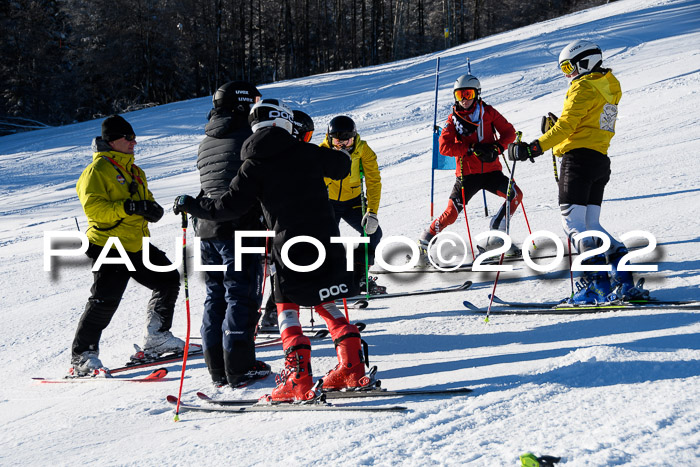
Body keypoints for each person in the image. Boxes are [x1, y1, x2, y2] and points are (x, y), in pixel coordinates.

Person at [173, 99, 369, 401]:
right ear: (285, 122)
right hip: (327, 242)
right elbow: (342, 166)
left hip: (289, 247)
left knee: (286, 307)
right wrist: (336, 151)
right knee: (325, 299)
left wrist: (192, 205)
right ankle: (352, 367)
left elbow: (227, 207)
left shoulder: (254, 164)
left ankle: (298, 379)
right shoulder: (307, 151)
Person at [508, 39, 648, 304]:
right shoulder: (609, 86)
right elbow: (585, 125)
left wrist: (532, 148)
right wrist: (557, 130)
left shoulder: (582, 87)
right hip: (599, 160)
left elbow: (567, 128)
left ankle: (596, 286)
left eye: (568, 67)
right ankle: (623, 280)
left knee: (573, 225)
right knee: (591, 225)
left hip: (578, 162)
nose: (568, 74)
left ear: (584, 62)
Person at [71, 115, 186, 376]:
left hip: (135, 242)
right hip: (109, 245)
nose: (134, 142)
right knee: (105, 299)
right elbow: (95, 210)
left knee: (168, 278)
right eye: (128, 138)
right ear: (112, 141)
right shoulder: (96, 171)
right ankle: (82, 356)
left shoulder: (134, 170)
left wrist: (152, 209)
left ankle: (158, 337)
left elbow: (147, 200)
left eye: (134, 137)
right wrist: (129, 207)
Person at [194, 80, 271, 388]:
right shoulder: (246, 137)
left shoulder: (206, 141)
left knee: (216, 296)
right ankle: (239, 366)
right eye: (252, 103)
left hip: (208, 228)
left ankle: (218, 368)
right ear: (241, 105)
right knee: (241, 295)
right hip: (239, 226)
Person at [417, 74, 521, 265]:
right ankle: (425, 240)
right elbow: (444, 147)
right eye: (459, 95)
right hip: (468, 175)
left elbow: (509, 132)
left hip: (491, 172)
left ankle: (495, 238)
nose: (464, 99)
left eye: (468, 94)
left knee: (515, 195)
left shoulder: (488, 112)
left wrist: (498, 147)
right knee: (451, 214)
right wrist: (470, 149)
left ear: (477, 94)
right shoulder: (453, 119)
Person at [259, 109, 316, 330]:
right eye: (307, 136)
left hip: (276, 221)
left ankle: (270, 314)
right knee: (281, 268)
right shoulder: (282, 155)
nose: (306, 141)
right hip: (273, 223)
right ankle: (269, 315)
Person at [319, 116, 385, 294]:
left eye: (347, 140)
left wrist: (372, 212)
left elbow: (373, 181)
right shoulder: (322, 152)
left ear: (354, 137)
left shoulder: (363, 150)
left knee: (373, 233)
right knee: (329, 240)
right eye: (338, 140)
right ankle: (330, 280)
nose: (342, 145)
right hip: (330, 202)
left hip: (354, 201)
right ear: (330, 137)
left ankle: (359, 276)